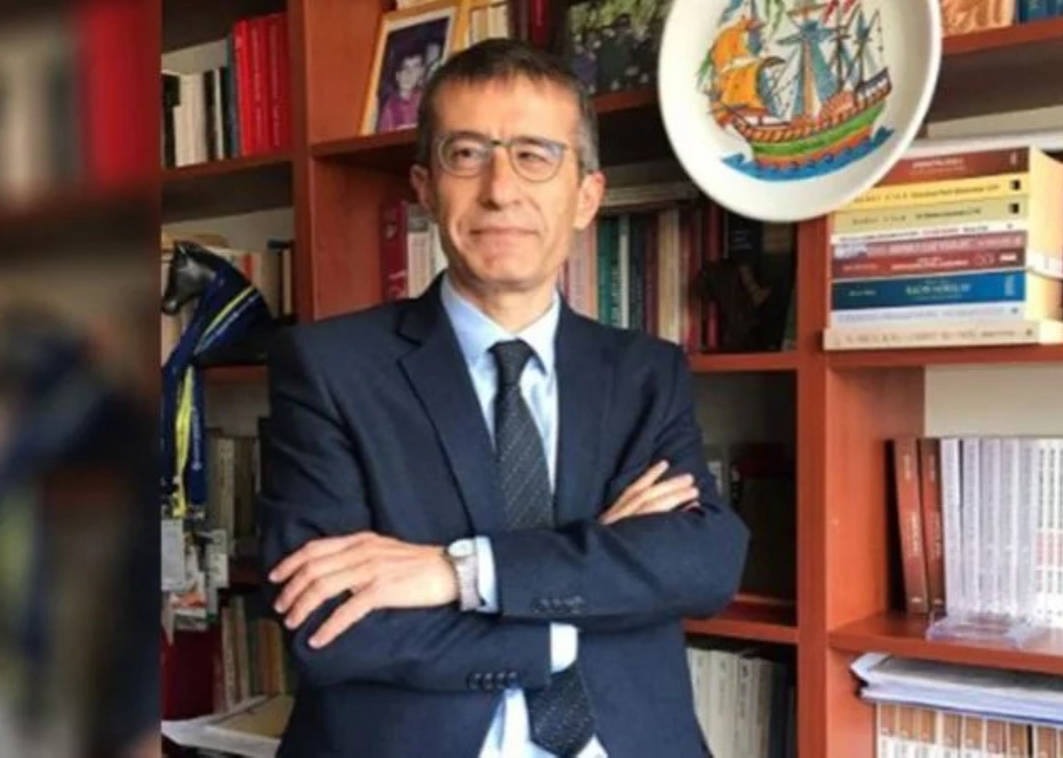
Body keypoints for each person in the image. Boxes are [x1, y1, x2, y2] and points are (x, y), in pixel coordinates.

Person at [261, 38, 749, 757]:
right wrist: (588, 590)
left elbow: (700, 566)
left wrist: (456, 571)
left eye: (534, 155)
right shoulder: (328, 367)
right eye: (467, 154)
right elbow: (329, 622)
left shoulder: (645, 371)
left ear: (587, 196)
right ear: (425, 187)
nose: (500, 189)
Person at [376, 34, 431, 132]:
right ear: (397, 75)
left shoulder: (425, 99)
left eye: (415, 67)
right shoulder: (390, 106)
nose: (410, 73)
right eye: (405, 68)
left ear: (422, 71)